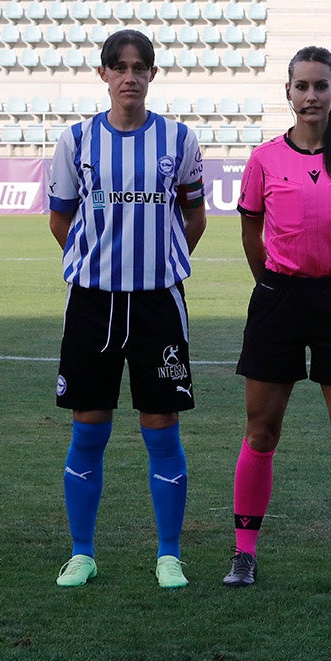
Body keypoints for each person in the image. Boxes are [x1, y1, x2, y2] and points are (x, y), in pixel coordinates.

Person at [223, 46, 331, 591]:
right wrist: (271, 282)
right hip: (278, 300)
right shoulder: (265, 159)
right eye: (302, 87)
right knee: (261, 430)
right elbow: (251, 231)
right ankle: (245, 551)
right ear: (288, 94)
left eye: (321, 86)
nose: (311, 96)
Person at [48, 29, 206, 589]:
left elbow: (194, 217)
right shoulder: (76, 140)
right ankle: (83, 553)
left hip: (159, 303)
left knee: (161, 427)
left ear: (152, 75)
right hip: (93, 302)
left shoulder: (179, 139)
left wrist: (156, 263)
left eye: (140, 67)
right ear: (104, 74)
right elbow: (61, 219)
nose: (130, 76)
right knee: (88, 427)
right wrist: (98, 263)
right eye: (119, 67)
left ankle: (168, 555)